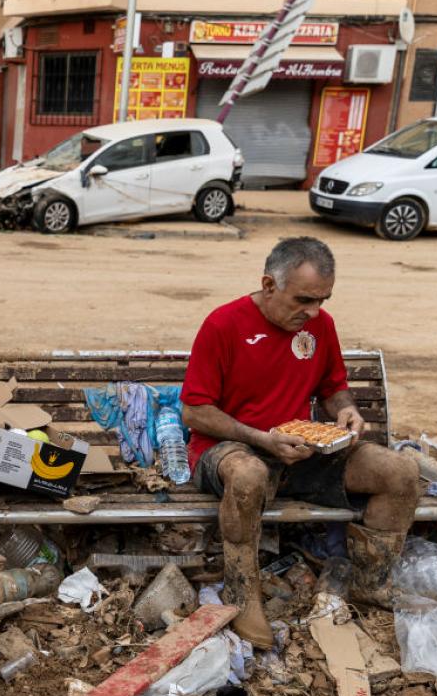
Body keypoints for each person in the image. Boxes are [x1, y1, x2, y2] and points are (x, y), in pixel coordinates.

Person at [179, 237, 418, 649]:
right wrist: (259, 439)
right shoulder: (224, 324)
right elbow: (195, 412)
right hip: (230, 449)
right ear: (269, 285)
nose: (314, 311)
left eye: (323, 300)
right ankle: (242, 592)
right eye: (304, 299)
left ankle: (371, 582)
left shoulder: (319, 327)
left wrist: (346, 412)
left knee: (400, 471)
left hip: (297, 450)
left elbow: (333, 388)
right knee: (249, 474)